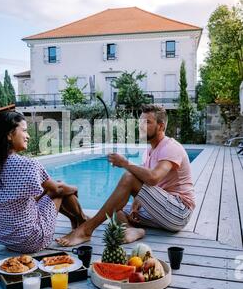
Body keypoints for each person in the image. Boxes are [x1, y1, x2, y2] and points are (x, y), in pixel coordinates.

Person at [56, 104, 195, 247]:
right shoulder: (148, 151)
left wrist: (125, 163)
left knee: (129, 177)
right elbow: (143, 183)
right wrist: (136, 205)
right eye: (140, 122)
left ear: (161, 126)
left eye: (147, 122)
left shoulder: (170, 147)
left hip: (179, 212)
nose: (141, 126)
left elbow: (153, 178)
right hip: (160, 210)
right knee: (114, 210)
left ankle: (86, 230)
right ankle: (131, 230)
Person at [0, 111, 87, 253]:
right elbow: (57, 190)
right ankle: (82, 221)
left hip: (3, 236)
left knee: (51, 188)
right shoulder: (28, 165)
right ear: (9, 135)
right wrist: (75, 188)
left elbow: (38, 192)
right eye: (24, 131)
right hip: (31, 240)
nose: (28, 136)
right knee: (59, 189)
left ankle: (77, 220)